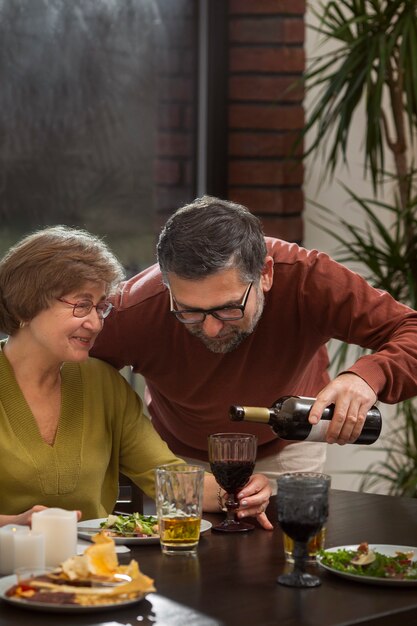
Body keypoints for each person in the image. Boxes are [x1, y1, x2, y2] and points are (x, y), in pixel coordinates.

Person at [91, 195, 417, 487]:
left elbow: (409, 327)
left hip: (284, 452)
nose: (212, 329)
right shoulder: (136, 307)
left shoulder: (308, 278)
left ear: (265, 274)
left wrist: (368, 377)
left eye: (228, 309)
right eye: (189, 311)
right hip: (179, 457)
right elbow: (71, 368)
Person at [0, 225, 272, 529]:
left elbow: (166, 476)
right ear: (27, 301)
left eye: (100, 307)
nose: (95, 323)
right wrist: (14, 524)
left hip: (95, 568)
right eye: (81, 305)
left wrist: (235, 495)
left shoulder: (103, 383)